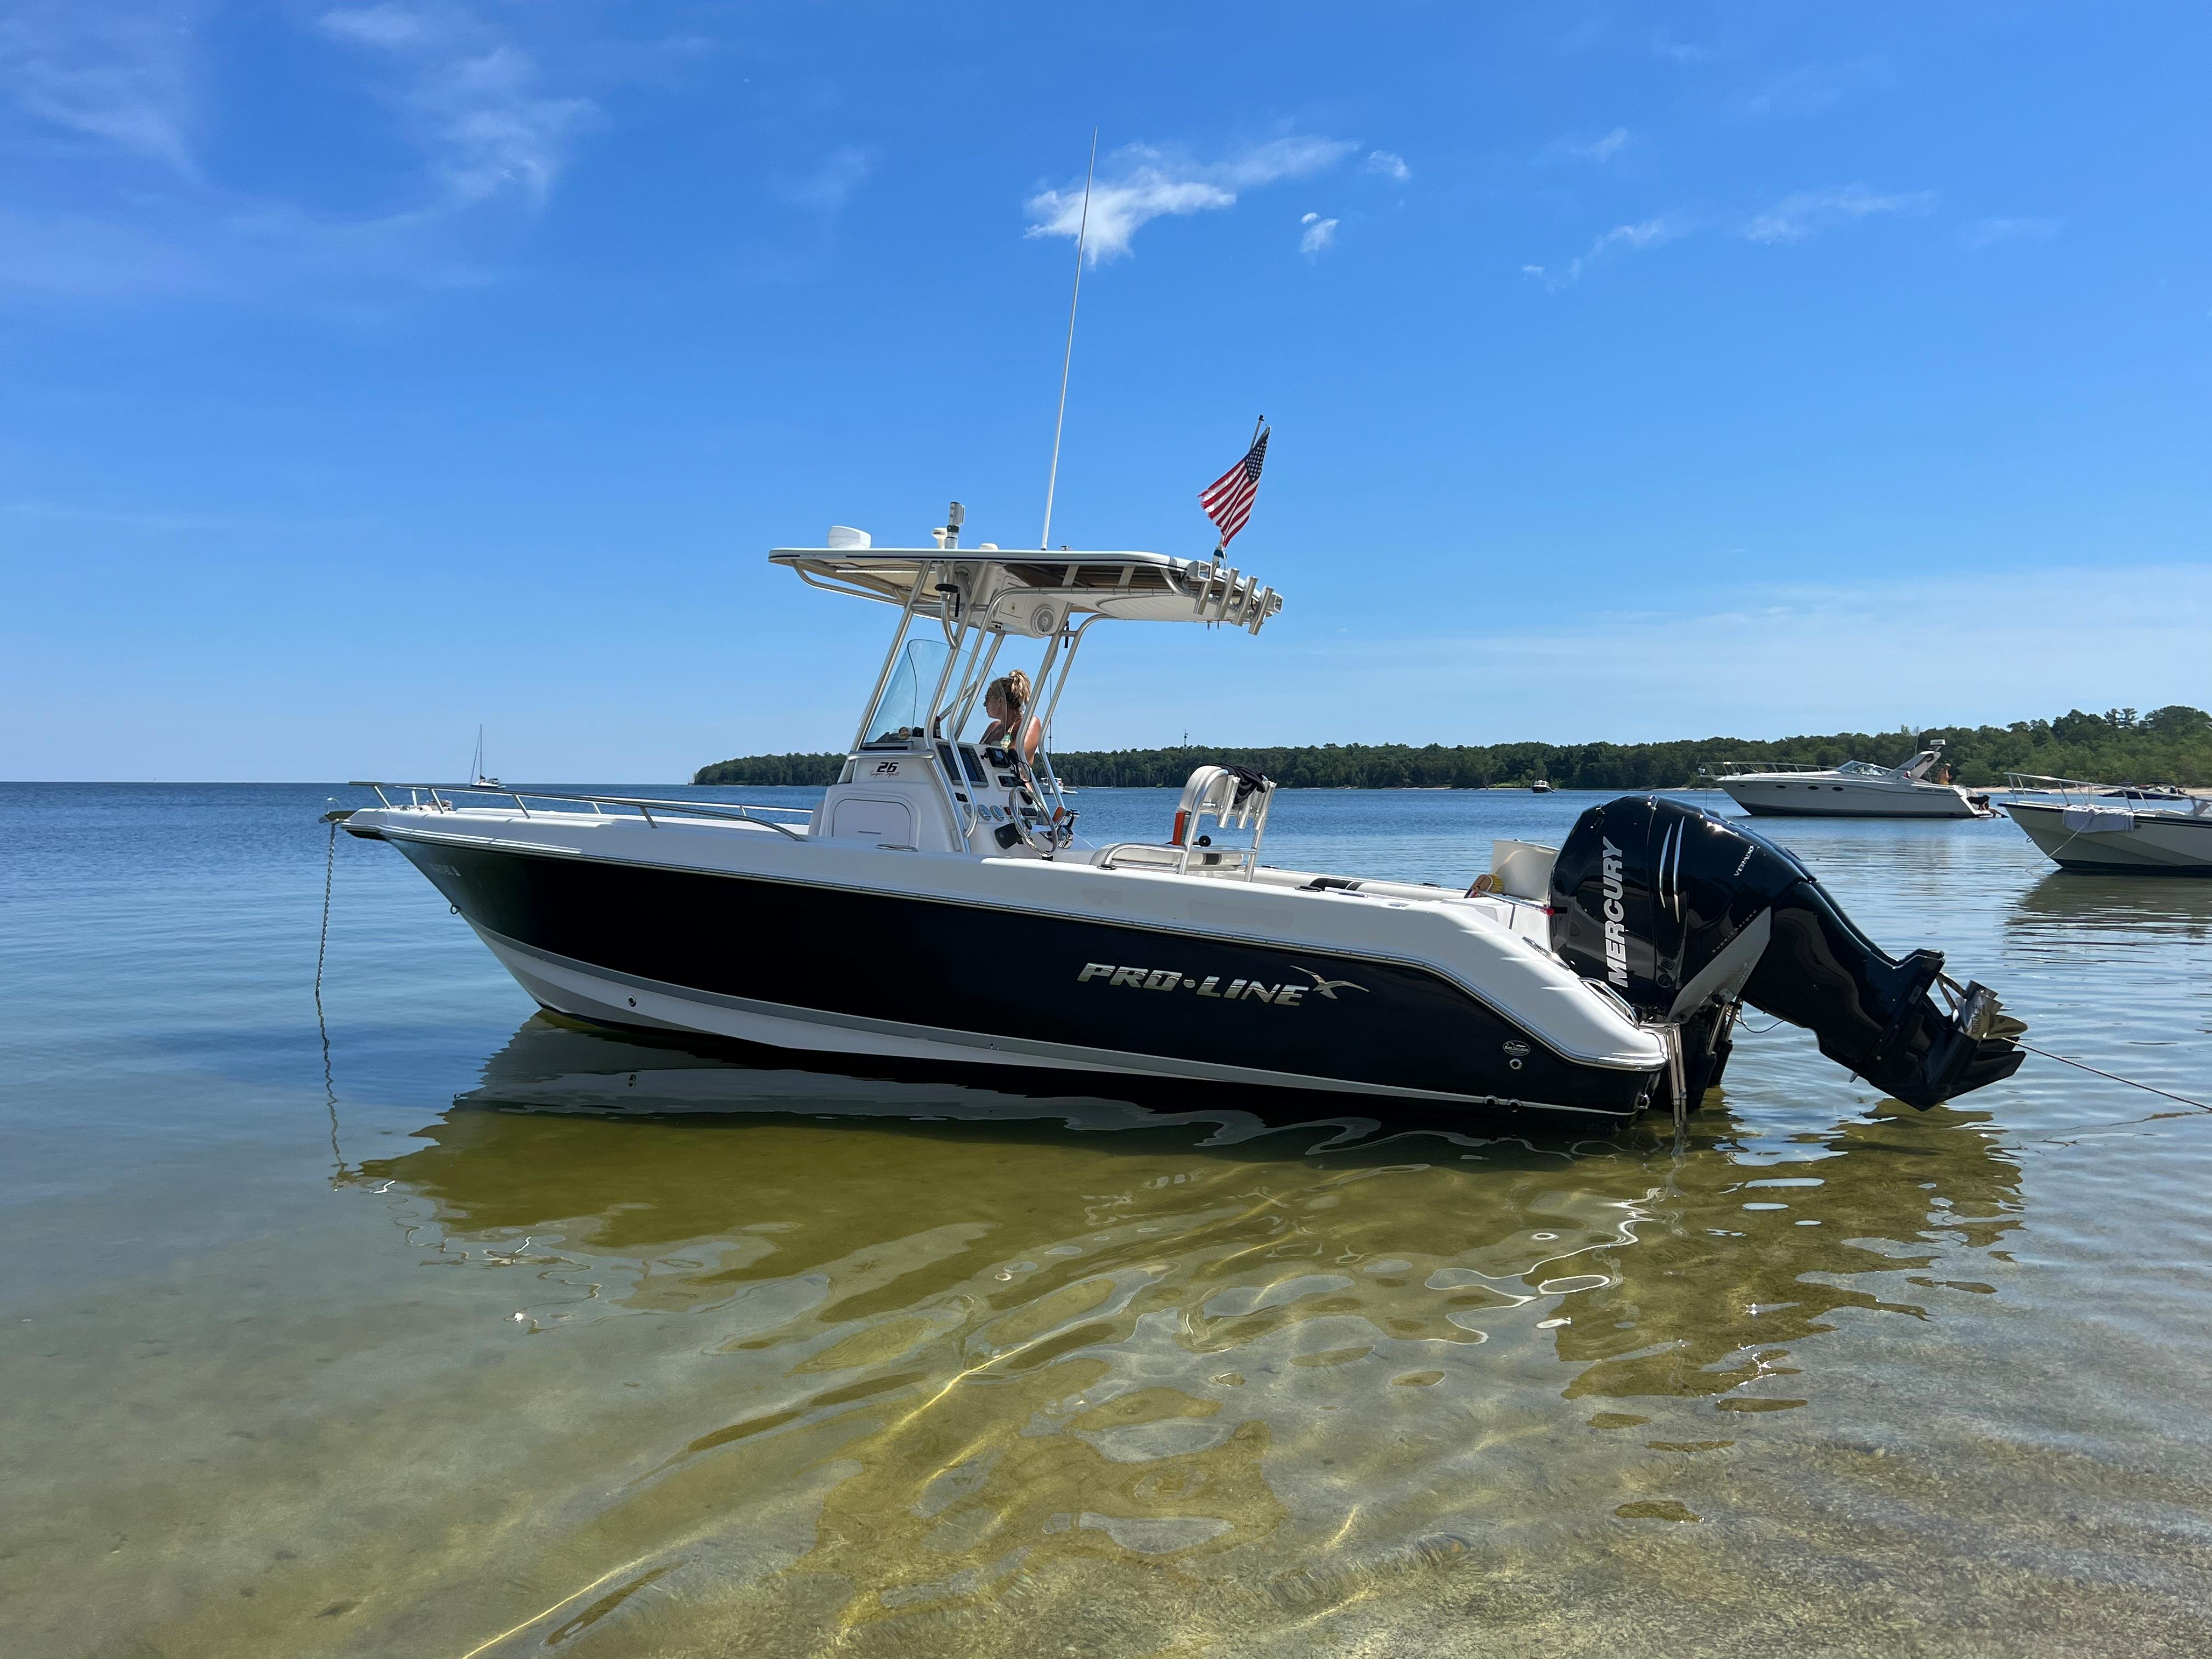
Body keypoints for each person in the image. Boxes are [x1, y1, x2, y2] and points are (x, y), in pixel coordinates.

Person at [980, 669, 1040, 761]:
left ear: (1000, 701)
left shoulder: (1029, 723)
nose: (985, 704)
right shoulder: (993, 727)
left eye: (987, 699)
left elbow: (1015, 756)